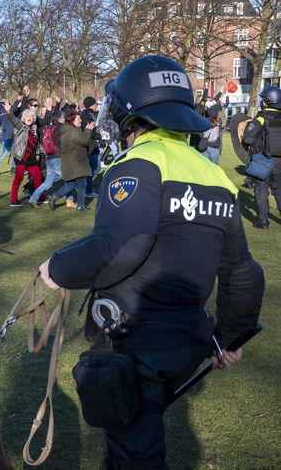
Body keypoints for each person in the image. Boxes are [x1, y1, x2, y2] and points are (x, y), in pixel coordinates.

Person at [38, 55, 264, 470]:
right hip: (188, 338)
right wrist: (228, 338)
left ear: (131, 114)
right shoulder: (215, 177)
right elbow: (242, 272)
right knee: (141, 430)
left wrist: (56, 268)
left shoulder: (138, 164)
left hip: (136, 342)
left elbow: (119, 246)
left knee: (135, 449)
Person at [242, 85, 281, 230]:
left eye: (264, 99)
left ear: (268, 101)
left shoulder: (261, 117)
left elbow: (248, 137)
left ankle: (263, 222)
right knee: (279, 191)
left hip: (264, 160)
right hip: (280, 162)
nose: (262, 101)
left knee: (261, 190)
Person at [46, 110, 94, 211]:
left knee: (71, 184)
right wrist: (88, 129)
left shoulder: (70, 129)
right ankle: (80, 206)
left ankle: (53, 197)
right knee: (82, 184)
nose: (80, 120)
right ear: (72, 120)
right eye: (78, 119)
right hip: (75, 163)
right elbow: (84, 141)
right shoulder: (72, 131)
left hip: (71, 163)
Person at [29, 112, 64, 207]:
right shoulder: (61, 128)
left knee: (48, 182)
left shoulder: (50, 128)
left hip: (49, 157)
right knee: (70, 178)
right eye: (64, 117)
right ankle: (58, 197)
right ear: (60, 118)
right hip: (57, 158)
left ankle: (33, 198)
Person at [9, 108, 42, 207]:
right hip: (21, 157)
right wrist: (8, 112)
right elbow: (13, 119)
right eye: (27, 116)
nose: (29, 118)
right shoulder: (21, 126)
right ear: (24, 117)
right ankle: (13, 200)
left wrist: (46, 151)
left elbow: (37, 144)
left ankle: (39, 197)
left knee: (38, 176)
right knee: (19, 178)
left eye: (32, 116)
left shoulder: (34, 128)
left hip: (31, 158)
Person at [0, 101, 15, 176]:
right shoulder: (9, 112)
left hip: (5, 137)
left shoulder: (2, 113)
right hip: (7, 138)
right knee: (4, 154)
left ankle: (13, 168)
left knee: (11, 153)